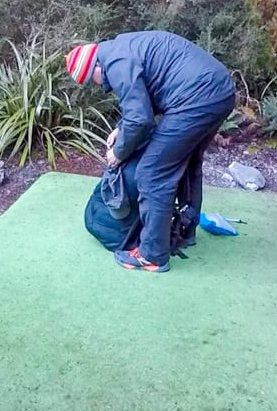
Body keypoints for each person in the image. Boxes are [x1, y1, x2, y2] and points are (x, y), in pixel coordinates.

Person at [66, 30, 235, 273]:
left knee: (152, 174)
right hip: (220, 90)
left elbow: (141, 119)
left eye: (90, 80)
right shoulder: (120, 48)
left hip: (194, 99)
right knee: (187, 162)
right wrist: (120, 128)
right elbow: (147, 96)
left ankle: (152, 255)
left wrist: (119, 153)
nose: (98, 86)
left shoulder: (115, 64)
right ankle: (186, 231)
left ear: (94, 68)